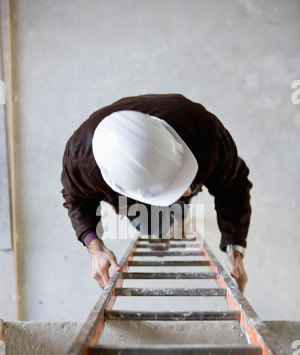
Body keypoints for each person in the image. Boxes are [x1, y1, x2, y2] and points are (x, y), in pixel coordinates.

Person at [61, 94, 252, 292]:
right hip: (130, 202)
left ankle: (174, 218)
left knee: (178, 210)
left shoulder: (205, 132)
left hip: (190, 137)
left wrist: (235, 246)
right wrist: (94, 246)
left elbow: (234, 185)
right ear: (120, 186)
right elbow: (76, 201)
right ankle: (159, 230)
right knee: (151, 224)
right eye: (170, 190)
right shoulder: (80, 163)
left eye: (181, 178)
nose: (187, 190)